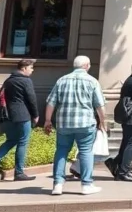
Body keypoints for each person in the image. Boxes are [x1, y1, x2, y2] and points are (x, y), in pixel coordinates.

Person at [44, 55, 105, 196]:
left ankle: (58, 184)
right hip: (85, 123)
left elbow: (51, 102)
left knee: (61, 151)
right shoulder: (92, 81)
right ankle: (86, 184)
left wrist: (47, 120)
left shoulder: (62, 80)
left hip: (64, 123)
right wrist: (103, 121)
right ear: (87, 66)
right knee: (85, 152)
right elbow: (99, 105)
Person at [0, 59, 38, 182]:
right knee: (23, 142)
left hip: (9, 115)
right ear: (24, 68)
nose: (32, 70)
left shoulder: (9, 80)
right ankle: (19, 173)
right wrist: (35, 115)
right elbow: (32, 98)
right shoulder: (25, 81)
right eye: (31, 68)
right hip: (22, 115)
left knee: (11, 140)